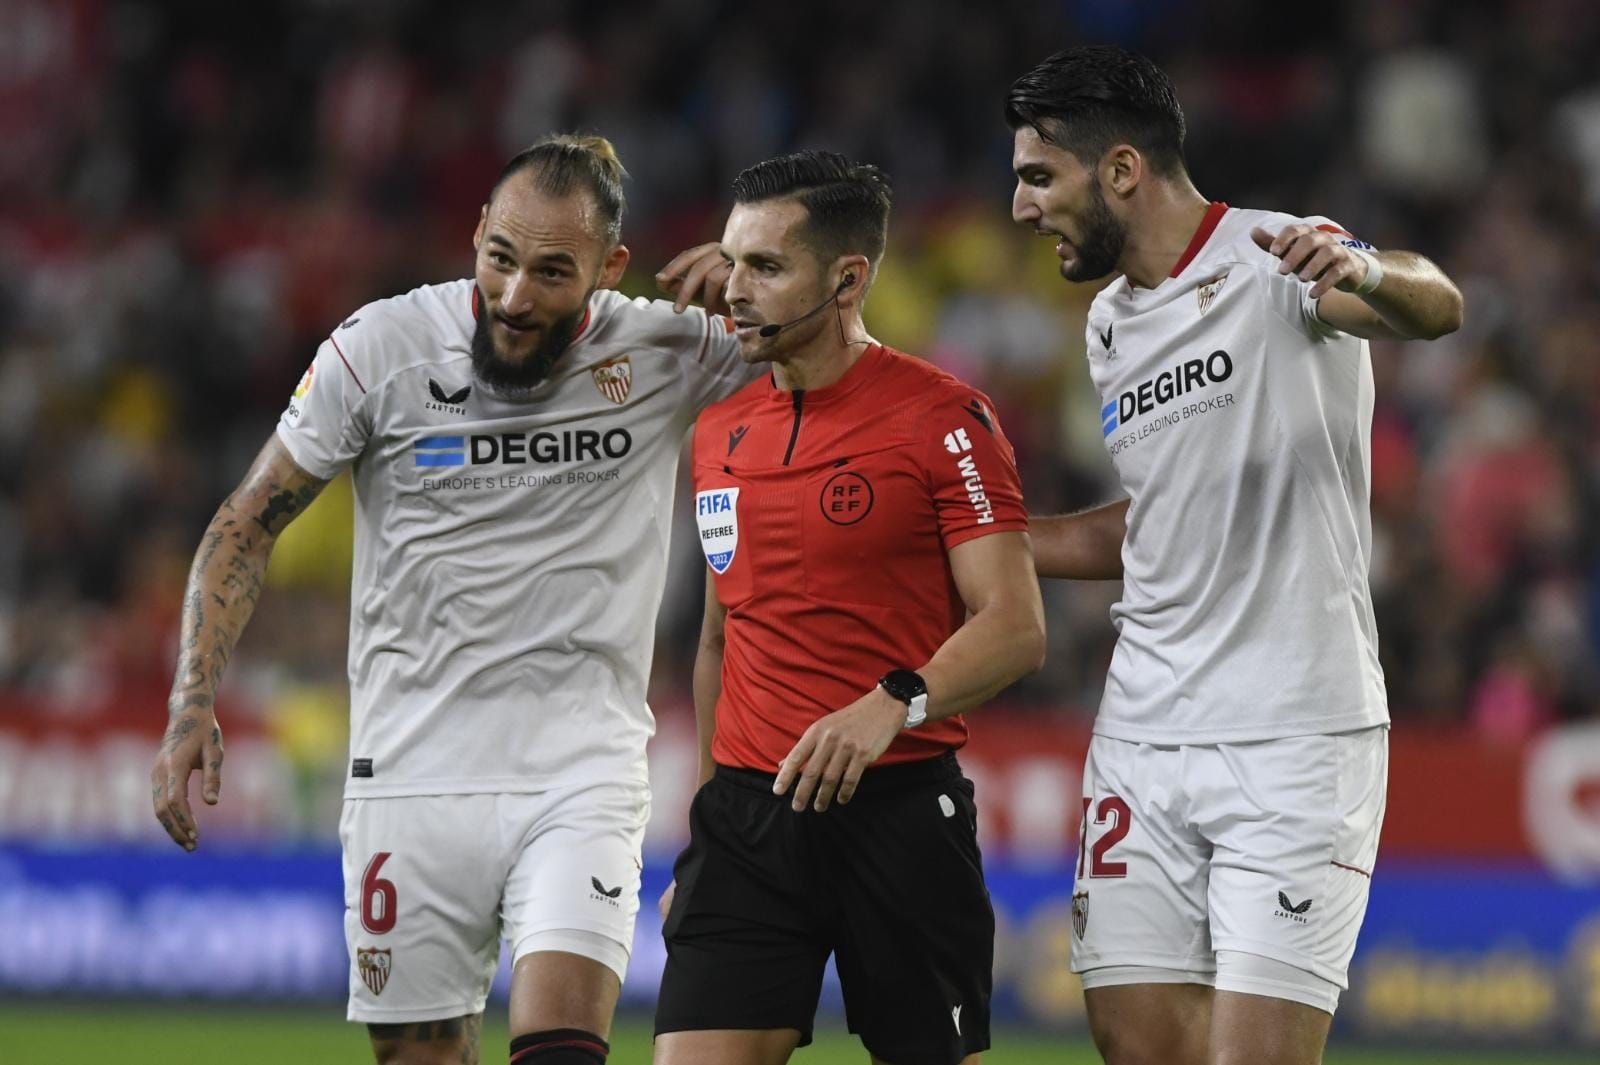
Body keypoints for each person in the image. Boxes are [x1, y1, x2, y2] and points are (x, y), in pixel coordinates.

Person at [148, 134, 756, 1065]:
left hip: (579, 767)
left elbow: (840, 357)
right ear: (476, 232)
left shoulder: (668, 349)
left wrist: (758, 280)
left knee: (561, 1047)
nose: (515, 298)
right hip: (410, 771)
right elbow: (243, 525)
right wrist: (192, 698)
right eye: (500, 259)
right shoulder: (379, 350)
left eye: (554, 272)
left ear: (610, 267)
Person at [1005, 46, 1464, 1065]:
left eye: (1039, 177)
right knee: (1135, 1047)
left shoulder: (1276, 255)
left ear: (1120, 170)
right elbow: (1158, 522)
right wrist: (989, 543)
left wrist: (1366, 271)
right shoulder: (1109, 327)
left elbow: (1435, 305)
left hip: (1295, 737)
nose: (1020, 208)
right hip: (1141, 733)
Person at [649, 150, 1046, 1065]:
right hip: (747, 822)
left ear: (847, 278)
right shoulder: (719, 432)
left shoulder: (943, 419)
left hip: (899, 813)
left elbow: (1016, 625)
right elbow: (718, 638)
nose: (735, 290)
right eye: (733, 261)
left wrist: (890, 703)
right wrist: (709, 822)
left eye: (766, 267)